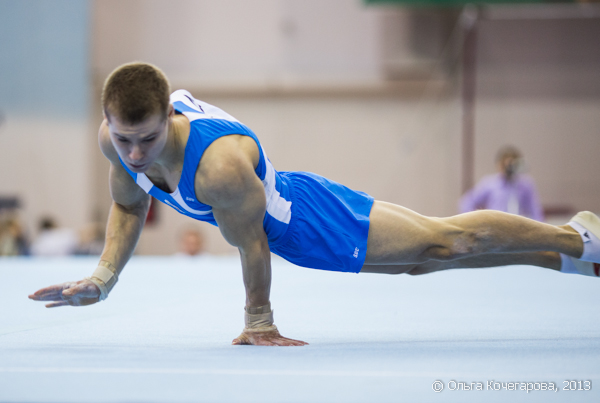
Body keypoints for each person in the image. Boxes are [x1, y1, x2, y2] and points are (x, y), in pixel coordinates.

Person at [29, 63, 599, 346]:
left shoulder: (218, 169)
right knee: (430, 259)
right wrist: (103, 279)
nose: (133, 153)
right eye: (123, 138)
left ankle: (579, 236)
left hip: (304, 220)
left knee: (444, 241)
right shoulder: (117, 141)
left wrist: (259, 321)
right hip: (286, 216)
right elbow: (129, 208)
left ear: (169, 119)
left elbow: (252, 245)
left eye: (147, 139)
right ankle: (568, 258)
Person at [460, 146, 544, 221]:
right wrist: (476, 222)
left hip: (518, 231)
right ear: (499, 165)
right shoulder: (490, 184)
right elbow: (466, 202)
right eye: (506, 165)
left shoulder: (526, 185)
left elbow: (535, 211)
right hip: (495, 230)